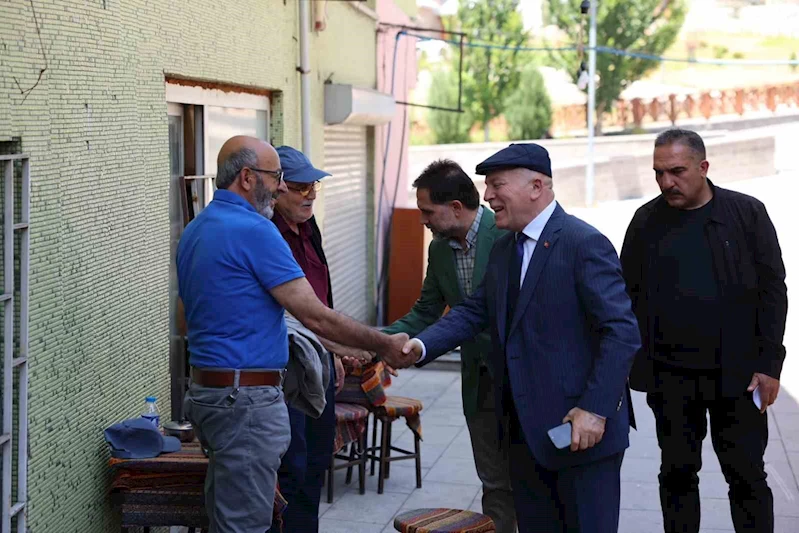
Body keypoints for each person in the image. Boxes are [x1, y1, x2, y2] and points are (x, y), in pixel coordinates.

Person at [399, 143, 641, 533]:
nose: (487, 196)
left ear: (536, 187)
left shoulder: (582, 243)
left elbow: (621, 332)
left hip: (580, 434)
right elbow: (475, 310)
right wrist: (420, 345)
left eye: (497, 185)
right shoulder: (505, 248)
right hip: (525, 437)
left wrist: (594, 409)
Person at [177, 136, 408, 533]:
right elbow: (314, 316)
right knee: (245, 525)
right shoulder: (256, 230)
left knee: (227, 517)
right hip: (245, 402)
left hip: (209, 395)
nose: (281, 186)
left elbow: (189, 318)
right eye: (277, 177)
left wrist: (356, 348)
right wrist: (383, 343)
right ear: (247, 177)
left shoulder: (196, 229)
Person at [620, 128, 788, 533]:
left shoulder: (746, 214)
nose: (666, 182)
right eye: (658, 172)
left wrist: (769, 365)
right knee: (677, 475)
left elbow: (773, 292)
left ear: (703, 167)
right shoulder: (646, 221)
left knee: (747, 476)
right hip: (671, 377)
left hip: (739, 376)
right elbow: (626, 294)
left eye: (676, 171)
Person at [381, 159, 516, 533]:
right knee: (494, 483)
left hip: (521, 380)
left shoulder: (508, 234)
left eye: (428, 211)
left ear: (456, 207)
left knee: (532, 481)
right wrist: (379, 342)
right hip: (479, 382)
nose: (422, 220)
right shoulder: (439, 249)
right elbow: (426, 310)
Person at [268, 145, 346, 533]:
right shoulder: (266, 233)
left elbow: (322, 296)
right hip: (290, 363)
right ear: (277, 188)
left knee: (317, 458)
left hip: (322, 357)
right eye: (301, 187)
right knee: (292, 463)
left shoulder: (309, 226)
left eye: (313, 185)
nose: (310, 194)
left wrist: (335, 354)